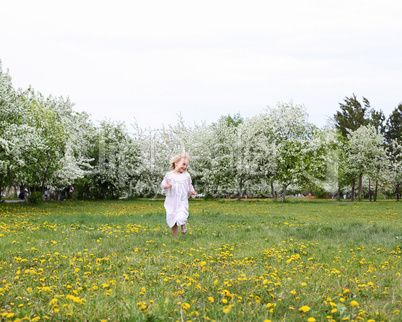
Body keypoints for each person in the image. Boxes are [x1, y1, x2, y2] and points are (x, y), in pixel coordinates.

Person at [161, 152, 196, 237]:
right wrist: (166, 186)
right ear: (176, 163)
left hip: (181, 201)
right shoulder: (169, 175)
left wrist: (192, 191)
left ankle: (183, 224)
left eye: (186, 165)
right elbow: (163, 184)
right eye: (183, 164)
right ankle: (175, 237)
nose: (185, 167)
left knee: (181, 217)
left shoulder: (186, 176)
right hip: (171, 201)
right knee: (172, 218)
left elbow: (189, 185)